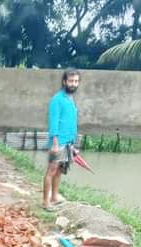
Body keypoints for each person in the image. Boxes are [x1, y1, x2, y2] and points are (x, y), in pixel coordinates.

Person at [43, 68, 80, 210]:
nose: (73, 84)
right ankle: (45, 202)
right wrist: (55, 143)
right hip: (58, 142)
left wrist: (73, 144)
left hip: (68, 142)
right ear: (64, 81)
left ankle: (54, 196)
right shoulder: (57, 99)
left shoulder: (70, 99)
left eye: (76, 81)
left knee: (59, 171)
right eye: (71, 81)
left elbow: (71, 122)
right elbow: (54, 122)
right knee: (51, 171)